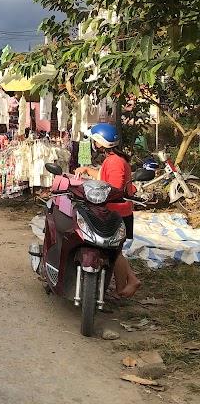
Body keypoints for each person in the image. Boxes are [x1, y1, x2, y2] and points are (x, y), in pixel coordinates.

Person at [75, 123, 141, 298]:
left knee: (114, 251)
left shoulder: (114, 162)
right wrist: (87, 170)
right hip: (119, 210)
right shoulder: (114, 159)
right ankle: (126, 283)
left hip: (116, 212)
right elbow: (104, 177)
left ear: (99, 142)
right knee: (115, 251)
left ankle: (127, 284)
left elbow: (114, 189)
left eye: (94, 140)